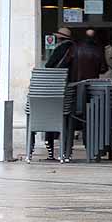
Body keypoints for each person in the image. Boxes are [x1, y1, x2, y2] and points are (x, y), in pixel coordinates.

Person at [42, 28, 75, 159]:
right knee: (66, 118)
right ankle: (66, 151)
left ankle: (50, 148)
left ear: (60, 38)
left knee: (51, 114)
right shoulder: (75, 49)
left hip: (56, 87)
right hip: (70, 87)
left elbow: (49, 65)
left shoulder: (60, 49)